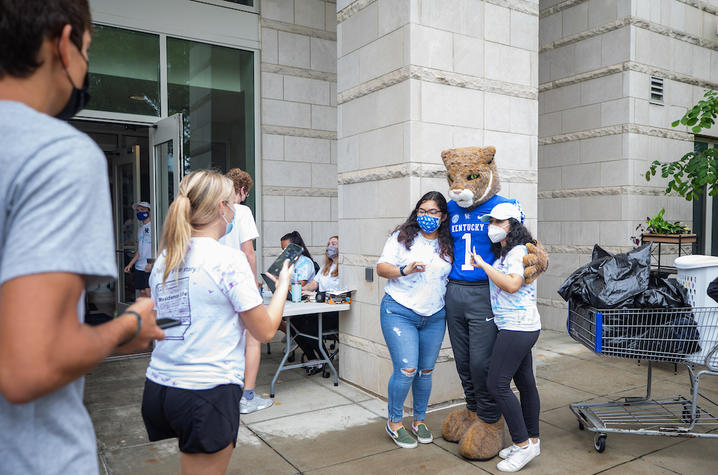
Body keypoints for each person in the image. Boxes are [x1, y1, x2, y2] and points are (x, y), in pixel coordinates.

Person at [0, 2, 163, 473]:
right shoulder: (56, 154)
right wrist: (127, 328)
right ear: (63, 42)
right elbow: (30, 364)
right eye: (87, 50)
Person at [141, 170, 292, 475]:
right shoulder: (227, 260)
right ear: (222, 208)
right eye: (233, 204)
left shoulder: (165, 258)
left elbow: (169, 325)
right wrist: (283, 287)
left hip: (161, 388)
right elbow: (264, 331)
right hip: (205, 393)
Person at [376, 191, 453, 449]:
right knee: (407, 369)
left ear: (442, 217)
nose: (426, 216)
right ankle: (394, 422)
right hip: (399, 310)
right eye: (422, 211)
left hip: (434, 315)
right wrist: (403, 270)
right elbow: (381, 268)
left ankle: (419, 420)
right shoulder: (402, 237)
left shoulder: (448, 243)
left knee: (425, 371)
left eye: (433, 212)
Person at [470, 202, 541, 472]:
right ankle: (532, 441)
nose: (493, 227)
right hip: (519, 326)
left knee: (497, 384)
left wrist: (484, 266)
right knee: (524, 382)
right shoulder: (509, 252)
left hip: (517, 328)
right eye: (492, 222)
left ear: (513, 225)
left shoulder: (516, 253)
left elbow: (512, 285)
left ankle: (523, 446)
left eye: (499, 222)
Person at [219, 168, 272, 415]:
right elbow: (248, 251)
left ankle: (224, 393)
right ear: (241, 190)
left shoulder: (213, 210)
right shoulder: (242, 211)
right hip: (240, 282)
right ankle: (247, 397)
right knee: (253, 341)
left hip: (218, 283)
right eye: (246, 192)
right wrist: (254, 285)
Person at [295, 236, 340, 375]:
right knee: (295, 323)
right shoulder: (326, 267)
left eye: (334, 244)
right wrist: (302, 289)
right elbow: (314, 284)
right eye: (329, 244)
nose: (330, 246)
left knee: (307, 326)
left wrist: (318, 295)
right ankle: (313, 358)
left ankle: (323, 358)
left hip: (335, 312)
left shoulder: (344, 268)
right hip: (321, 308)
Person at [124, 201, 152, 298]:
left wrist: (151, 263)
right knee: (143, 293)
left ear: (149, 211)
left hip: (149, 266)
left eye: (143, 210)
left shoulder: (154, 227)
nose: (140, 212)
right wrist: (130, 264)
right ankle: (145, 313)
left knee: (149, 293)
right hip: (139, 266)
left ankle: (152, 313)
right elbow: (139, 250)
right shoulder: (140, 230)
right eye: (138, 210)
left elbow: (159, 246)